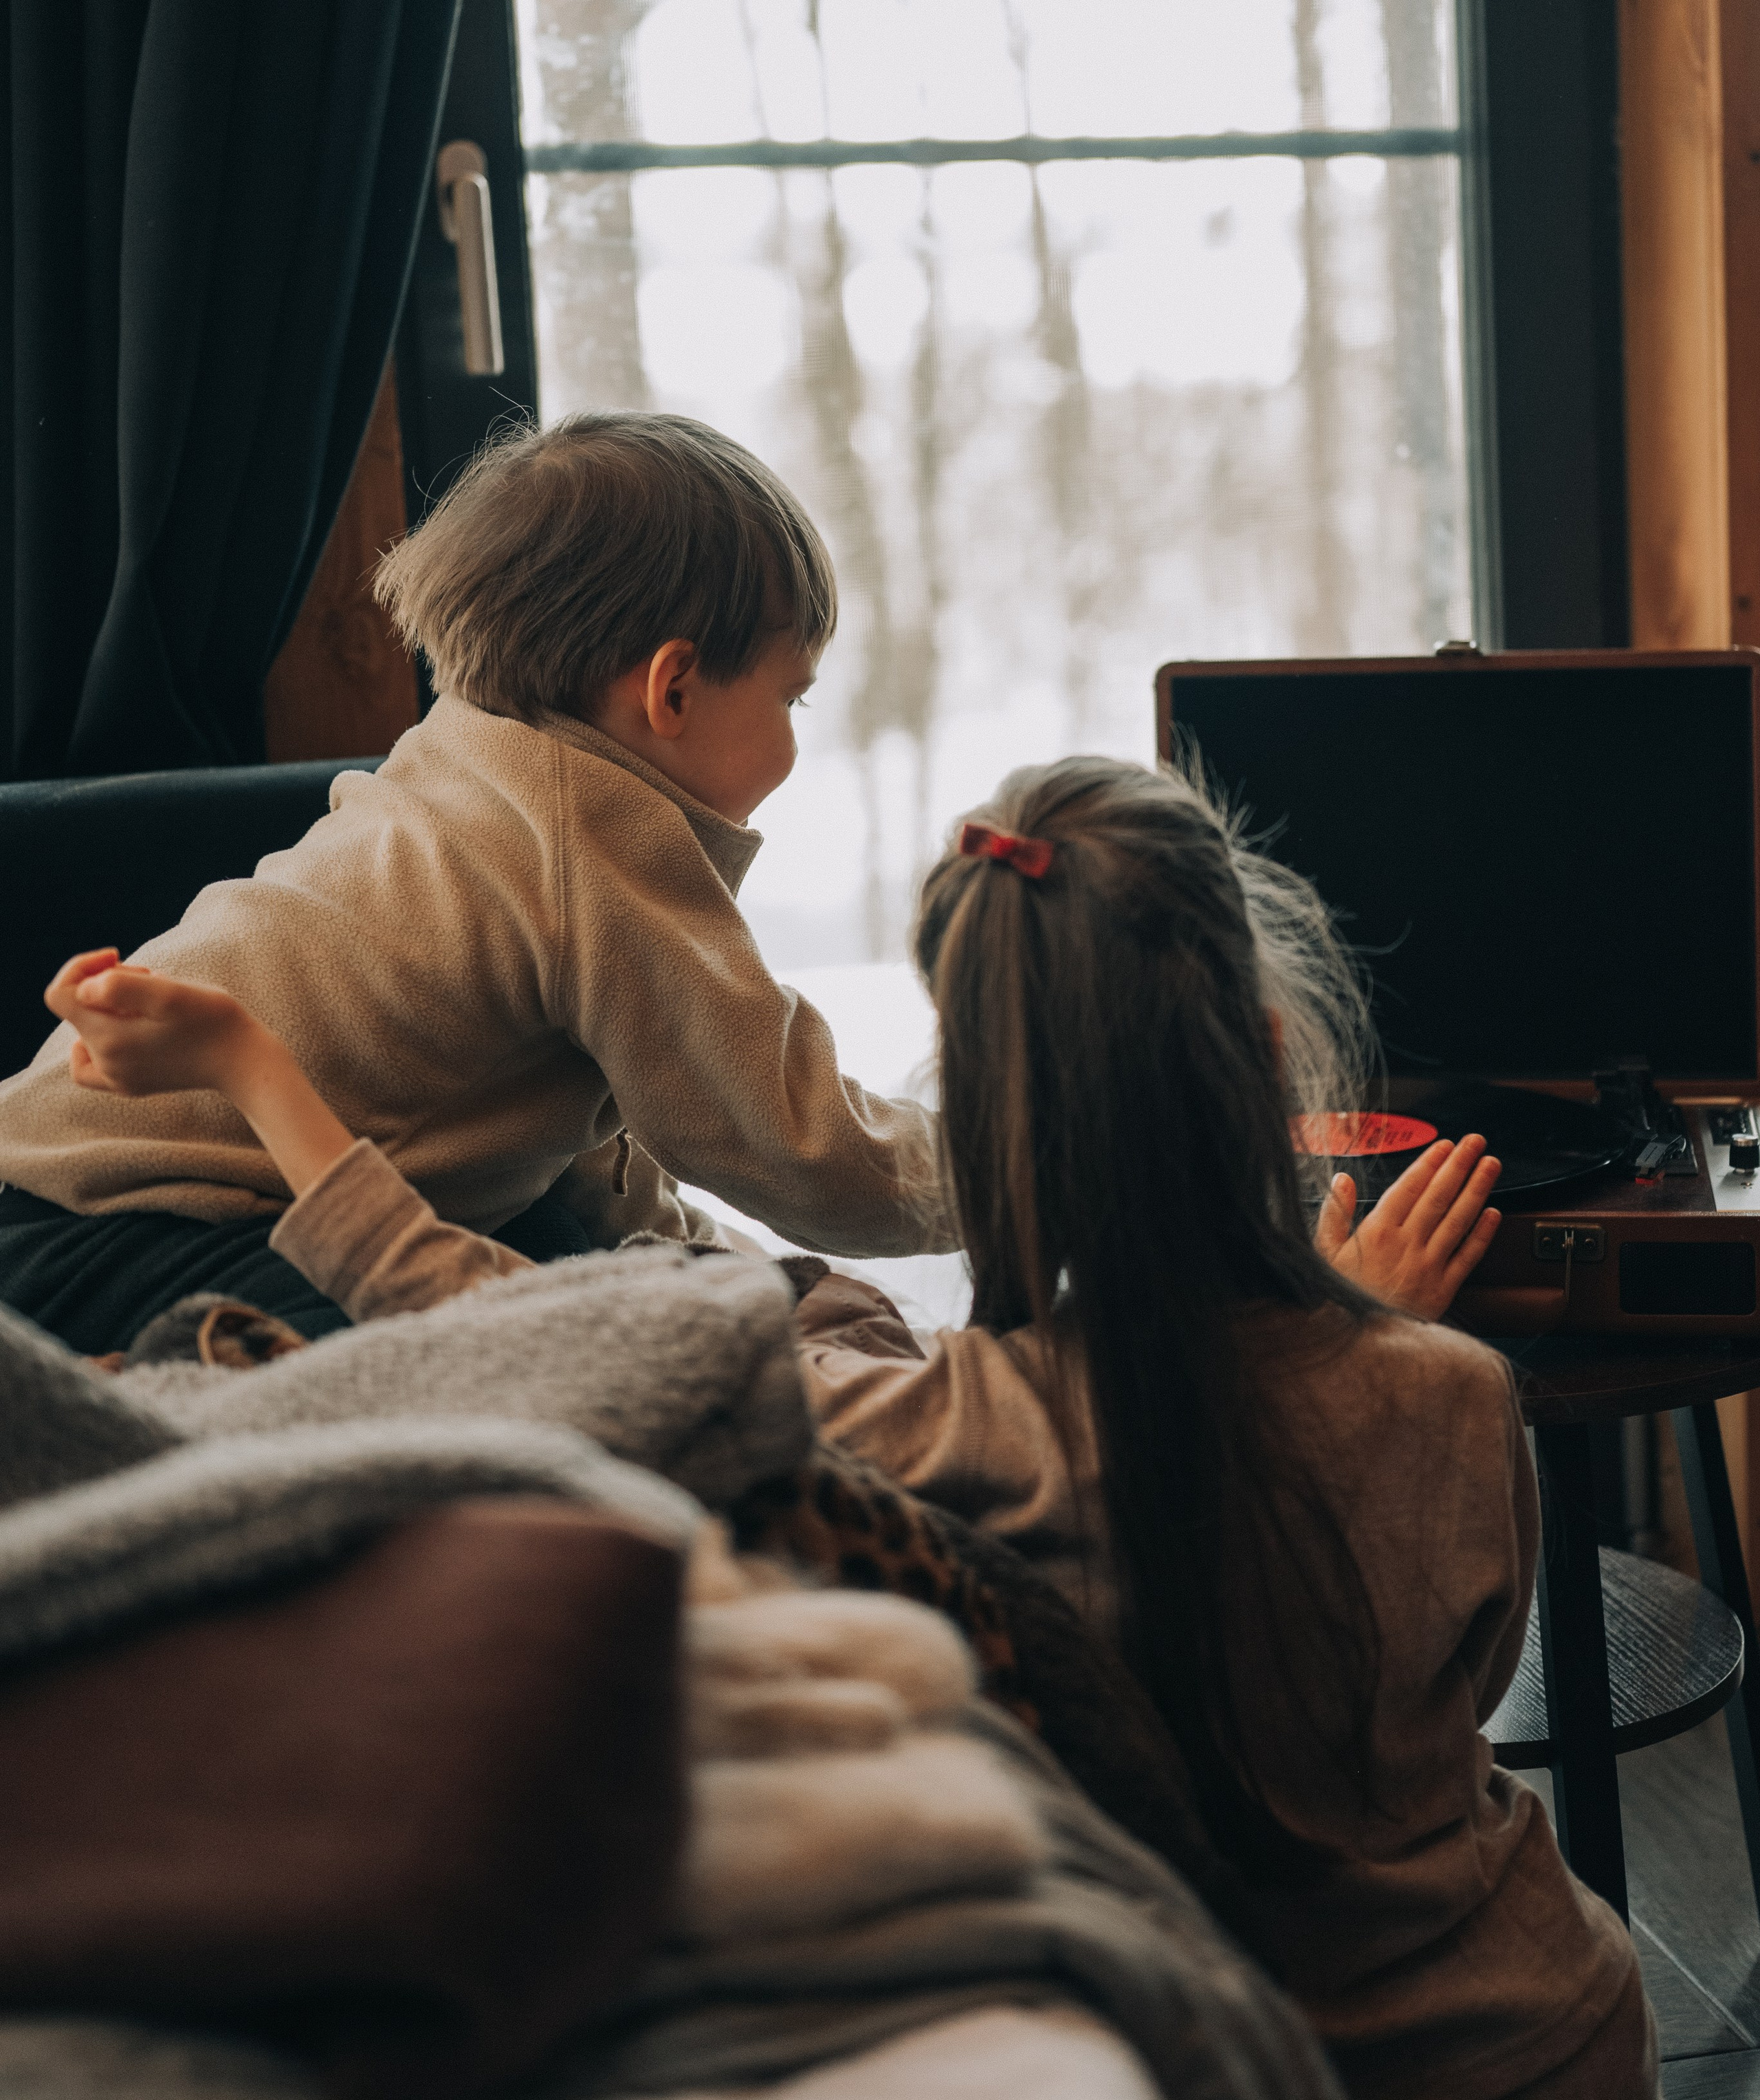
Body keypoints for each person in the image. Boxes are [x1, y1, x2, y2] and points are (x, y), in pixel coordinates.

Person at [36, 758, 1644, 2098]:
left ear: (989, 1112)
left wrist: (255, 1064)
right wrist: (1365, 1324)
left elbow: (488, 1318)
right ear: (1270, 1056)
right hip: (1545, 2027)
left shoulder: (936, 1427)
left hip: (1248, 2041)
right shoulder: (1442, 1393)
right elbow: (1452, 1690)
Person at [0, 415, 947, 1355]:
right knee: (470, 1362)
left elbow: (567, 1123)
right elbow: (797, 1145)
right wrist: (1024, 1173)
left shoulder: (469, 763)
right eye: (793, 697)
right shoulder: (594, 842)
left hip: (57, 1202)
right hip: (140, 1233)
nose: (795, 732)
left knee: (562, 1253)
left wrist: (695, 1251)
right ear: (674, 689)